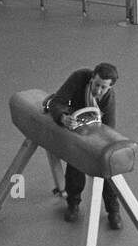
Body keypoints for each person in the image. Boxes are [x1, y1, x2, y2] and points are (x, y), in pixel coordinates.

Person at [43, 62, 123, 227]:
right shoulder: (79, 78)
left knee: (107, 168)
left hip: (97, 130)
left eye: (104, 88)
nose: (98, 91)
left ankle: (113, 209)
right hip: (75, 124)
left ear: (110, 87)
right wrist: (63, 118)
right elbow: (57, 102)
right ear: (92, 78)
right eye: (97, 85)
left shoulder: (108, 99)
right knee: (76, 162)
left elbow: (109, 130)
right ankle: (73, 203)